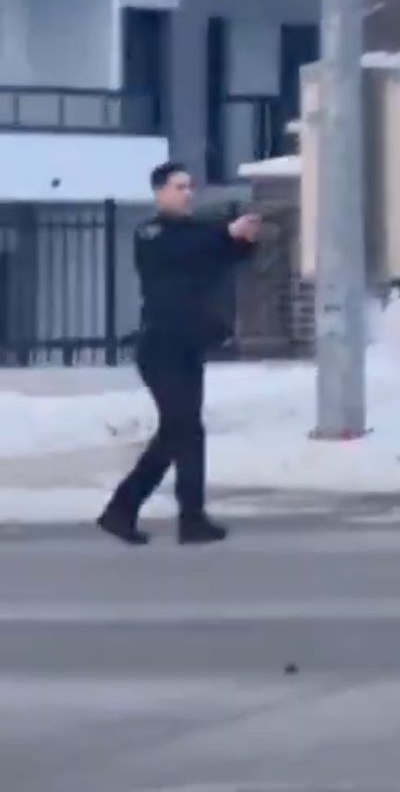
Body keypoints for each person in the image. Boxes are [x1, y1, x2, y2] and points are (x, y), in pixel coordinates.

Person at [98, 162, 261, 546]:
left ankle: (188, 518)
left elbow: (224, 255)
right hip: (160, 347)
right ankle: (126, 509)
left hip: (188, 344)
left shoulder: (195, 232)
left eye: (190, 187)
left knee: (186, 431)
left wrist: (244, 238)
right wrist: (225, 233)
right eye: (178, 187)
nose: (188, 193)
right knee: (180, 429)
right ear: (159, 192)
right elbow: (182, 250)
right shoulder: (151, 233)